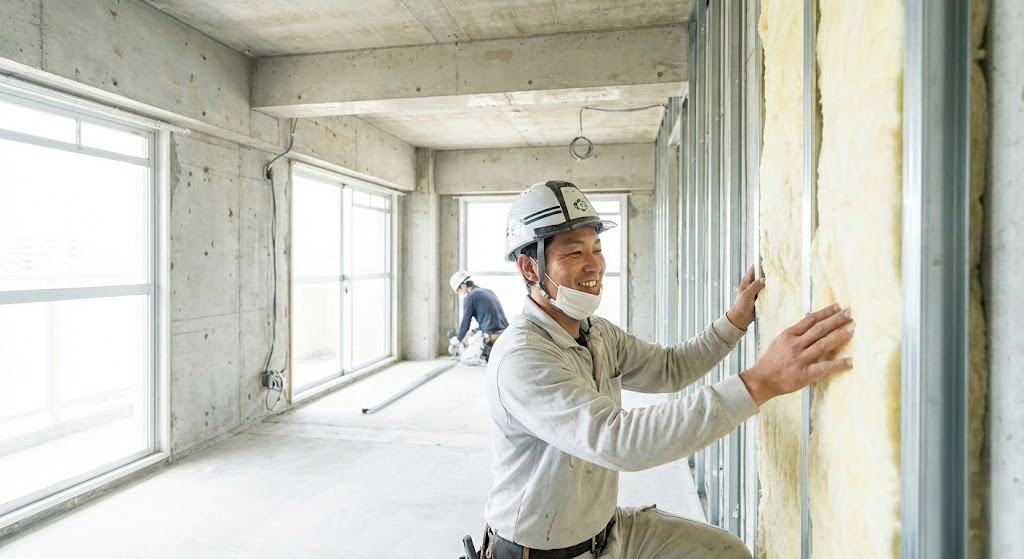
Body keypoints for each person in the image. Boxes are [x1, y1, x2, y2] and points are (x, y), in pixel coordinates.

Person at [478, 180, 855, 559]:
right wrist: (761, 382)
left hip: (606, 532)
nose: (594, 264)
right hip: (537, 551)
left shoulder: (596, 334)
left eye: (597, 249)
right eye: (575, 253)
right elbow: (619, 441)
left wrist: (734, 322)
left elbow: (669, 368)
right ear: (530, 267)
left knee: (726, 553)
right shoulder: (522, 358)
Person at [449, 270, 510, 363]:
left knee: (464, 359)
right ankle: (489, 354)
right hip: (505, 334)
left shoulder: (470, 297)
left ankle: (486, 359)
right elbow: (491, 318)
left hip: (491, 336)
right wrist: (474, 331)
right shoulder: (489, 291)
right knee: (475, 337)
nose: (461, 293)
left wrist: (458, 340)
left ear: (463, 286)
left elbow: (465, 324)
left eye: (459, 291)